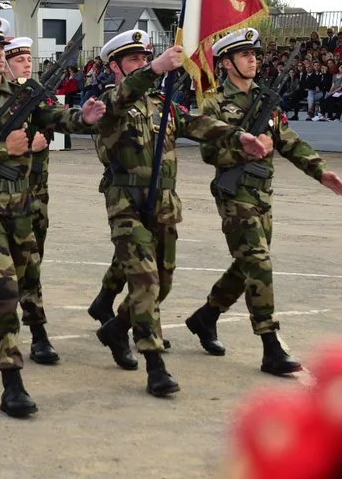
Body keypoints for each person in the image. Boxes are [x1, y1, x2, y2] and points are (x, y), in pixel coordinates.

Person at [89, 30, 272, 397]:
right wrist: (156, 68)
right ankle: (155, 365)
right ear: (115, 67)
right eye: (133, 60)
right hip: (127, 206)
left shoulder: (163, 104)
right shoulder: (109, 102)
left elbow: (196, 124)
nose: (141, 63)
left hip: (164, 205)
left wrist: (238, 137)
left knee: (164, 283)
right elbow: (125, 95)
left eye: (145, 58)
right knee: (145, 282)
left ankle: (115, 328)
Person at [0, 18, 105, 418]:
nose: (0, 53)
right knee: (4, 289)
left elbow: (55, 117)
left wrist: (86, 117)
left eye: (2, 46)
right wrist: (2, 147)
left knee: (6, 287)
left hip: (21, 206)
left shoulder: (25, 93)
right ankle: (12, 383)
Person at [183, 28, 342, 375]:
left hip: (262, 193)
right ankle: (270, 345)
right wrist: (242, 146)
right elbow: (209, 151)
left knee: (246, 266)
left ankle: (206, 316)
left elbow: (289, 141)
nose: (252, 59)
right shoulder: (214, 103)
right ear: (226, 62)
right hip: (235, 193)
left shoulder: (266, 99)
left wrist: (321, 172)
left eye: (254, 54)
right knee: (259, 264)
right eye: (244, 55)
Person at [3, 36, 59, 365]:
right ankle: (37, 332)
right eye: (19, 58)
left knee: (31, 265)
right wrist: (26, 146)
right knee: (12, 270)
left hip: (37, 195)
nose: (27, 62)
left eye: (28, 57)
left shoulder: (36, 94)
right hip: (6, 198)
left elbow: (55, 119)